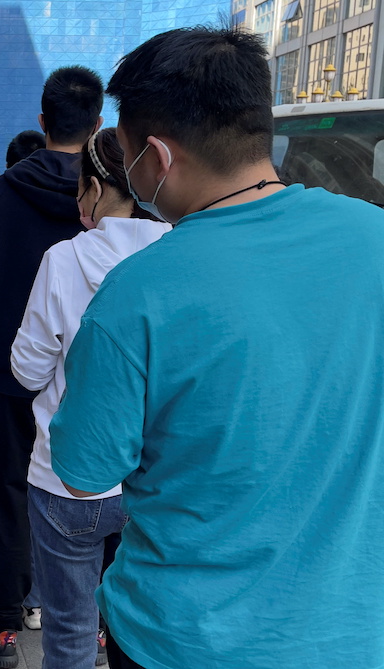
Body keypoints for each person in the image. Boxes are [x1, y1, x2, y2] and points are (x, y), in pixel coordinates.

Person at [49, 27, 384, 669]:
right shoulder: (374, 240)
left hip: (181, 638)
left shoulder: (137, 293)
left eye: (124, 155)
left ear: (157, 157)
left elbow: (84, 469)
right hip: (351, 633)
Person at [0, 65, 103, 669]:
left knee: (12, 496)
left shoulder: (1, 193)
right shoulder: (118, 199)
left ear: (43, 122)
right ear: (100, 124)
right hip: (96, 384)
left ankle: (4, 627)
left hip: (14, 379)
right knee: (101, 490)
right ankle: (96, 627)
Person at [10, 128, 170, 669]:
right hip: (150, 479)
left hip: (65, 478)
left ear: (97, 189)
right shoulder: (173, 248)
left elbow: (28, 369)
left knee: (70, 626)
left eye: (80, 190)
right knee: (136, 621)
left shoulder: (64, 259)